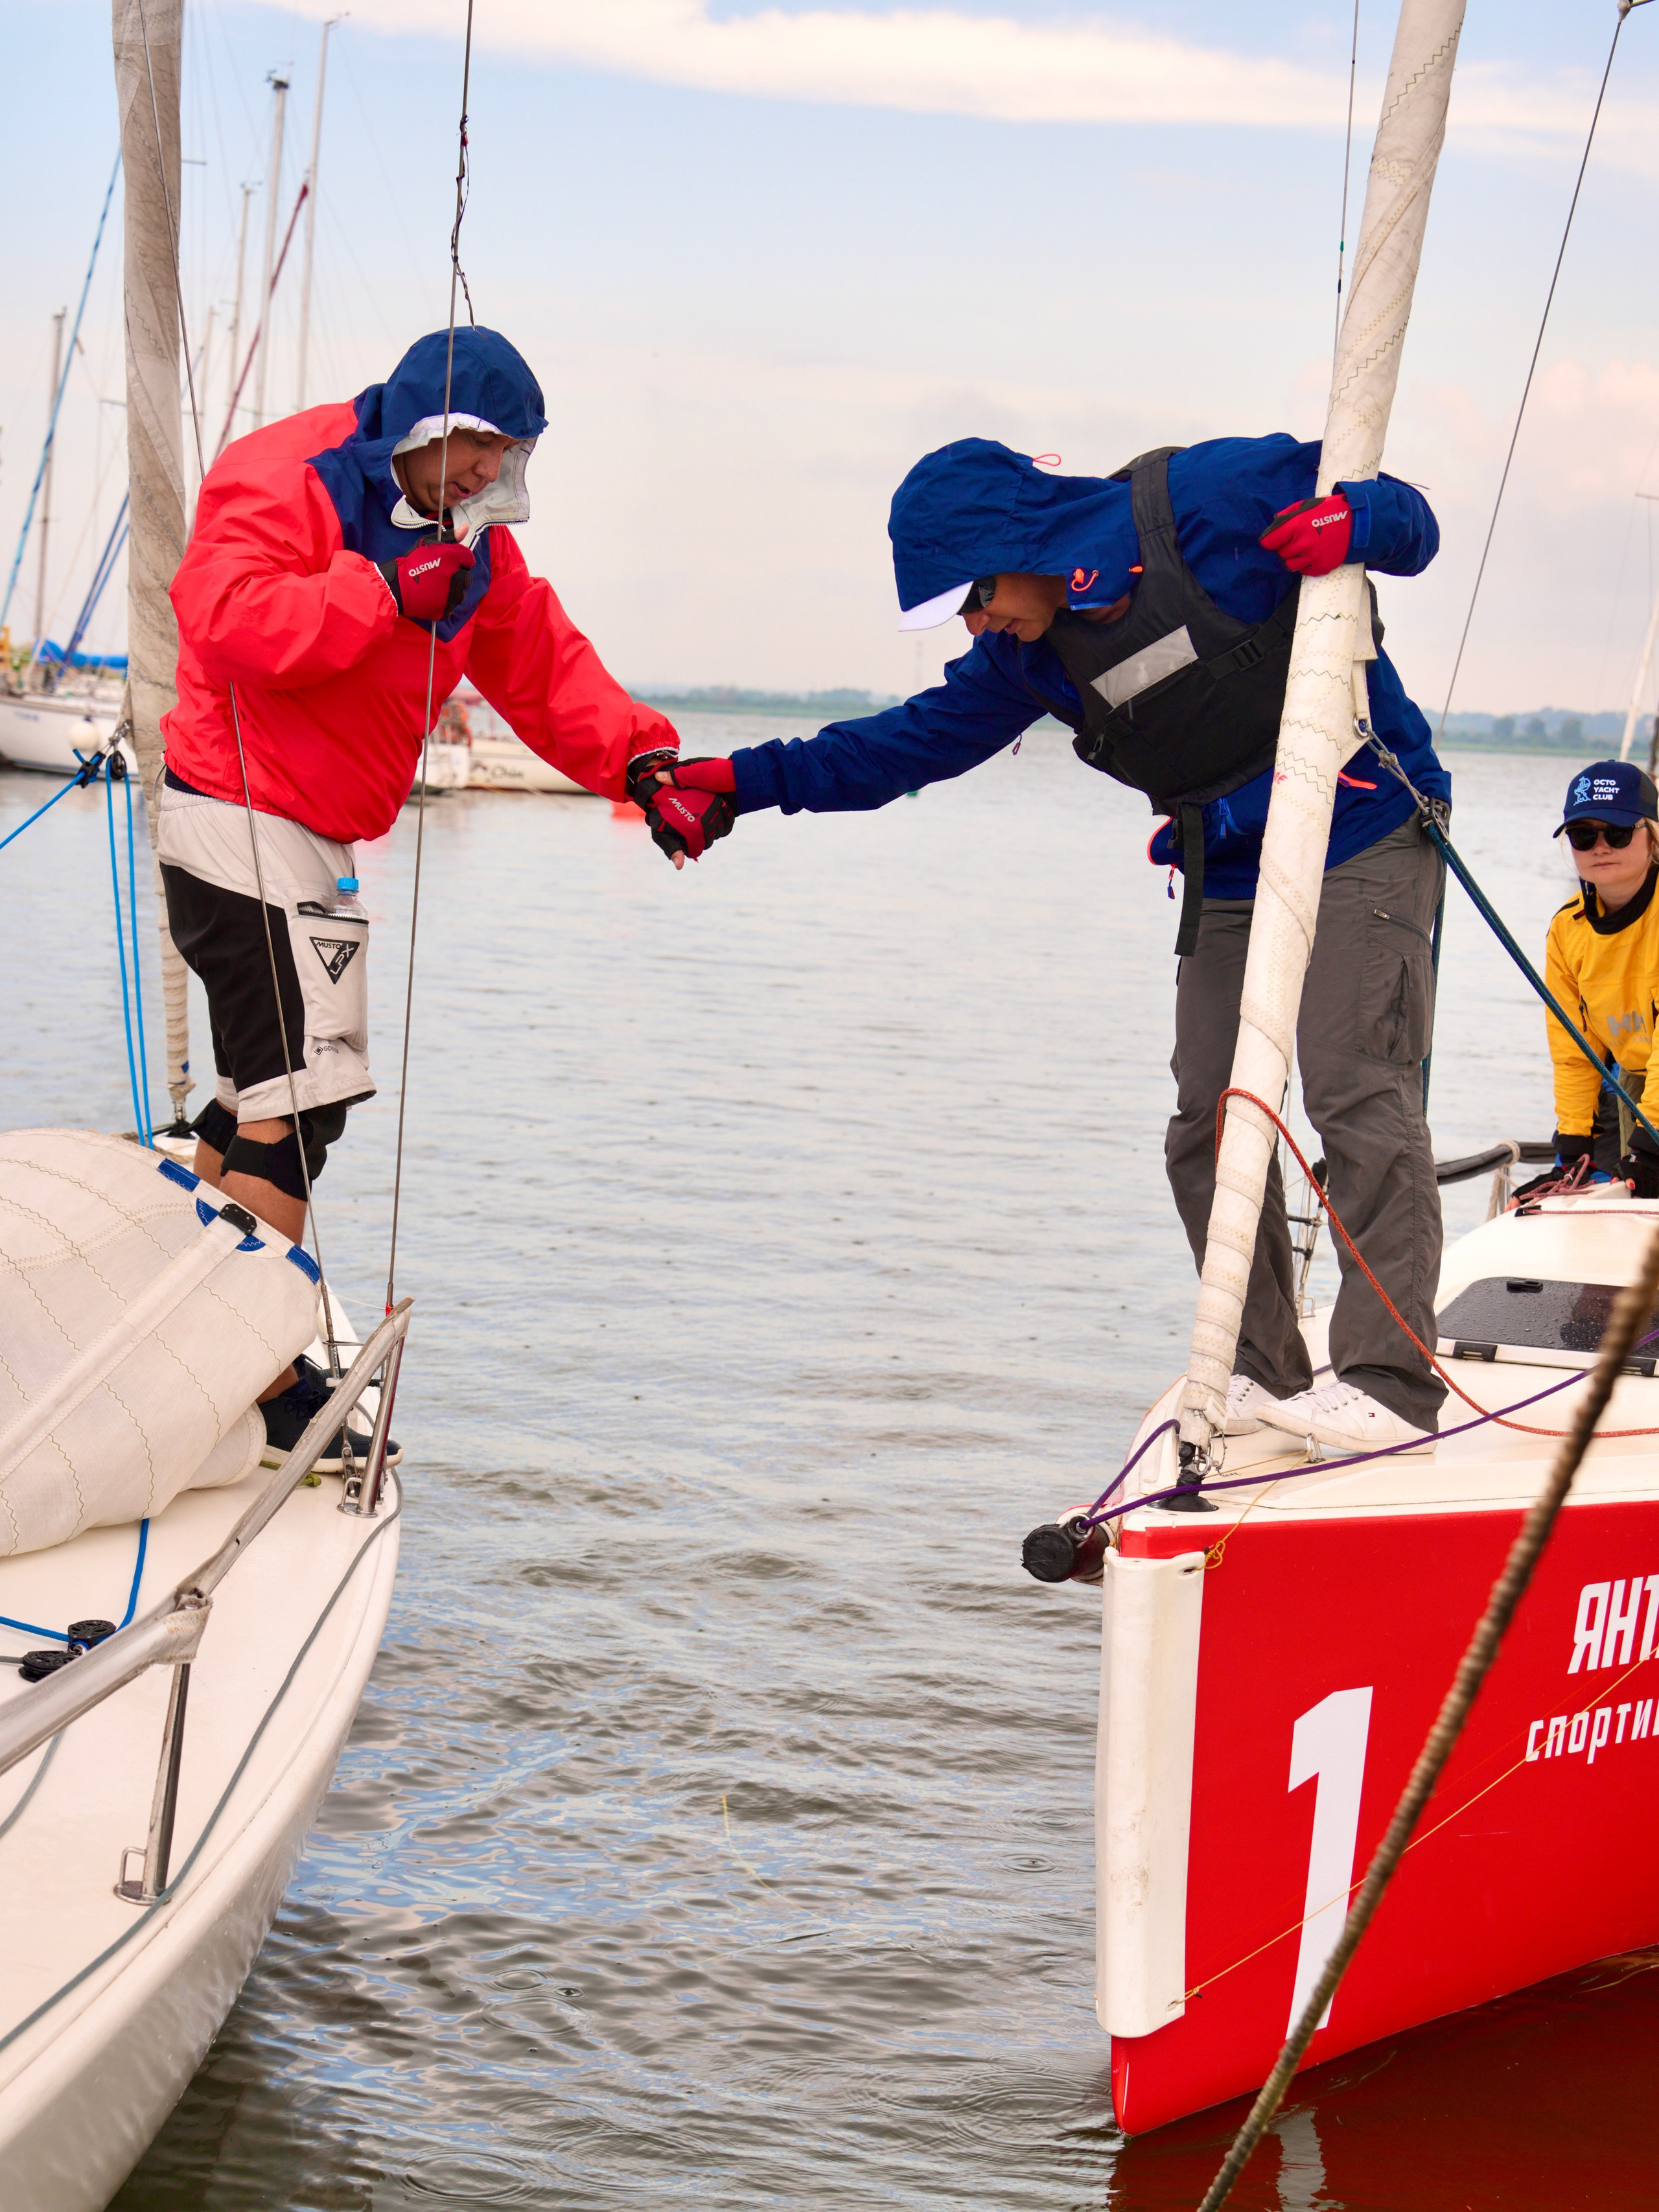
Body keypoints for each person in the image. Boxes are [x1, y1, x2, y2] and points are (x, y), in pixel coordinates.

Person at [642, 434, 1451, 1457]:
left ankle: (1389, 1386)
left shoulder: (1211, 497)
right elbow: (898, 746)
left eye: (972, 597)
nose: (977, 624)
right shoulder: (1026, 659)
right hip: (1233, 866)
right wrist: (742, 783)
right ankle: (1265, 1369)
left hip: (1364, 825)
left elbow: (1413, 519)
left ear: (1016, 542)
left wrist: (1364, 522)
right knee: (1206, 1118)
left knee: (1354, 1090)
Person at [158, 327, 679, 1464]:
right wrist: (380, 591)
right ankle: (259, 1382)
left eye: (511, 454)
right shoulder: (289, 474)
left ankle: (195, 1322)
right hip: (237, 811)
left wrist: (644, 765)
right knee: (299, 1101)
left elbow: (540, 664)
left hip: (309, 831)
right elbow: (225, 618)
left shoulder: (475, 540)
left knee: (267, 1093)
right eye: (480, 446)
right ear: (426, 427)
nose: (493, 472)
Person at [1521, 760, 1659, 1201]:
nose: (1600, 847)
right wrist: (1573, 1151)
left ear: (1652, 835)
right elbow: (1574, 1051)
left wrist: (1651, 1147)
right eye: (1584, 835)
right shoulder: (1567, 930)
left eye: (1617, 833)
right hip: (1635, 1084)